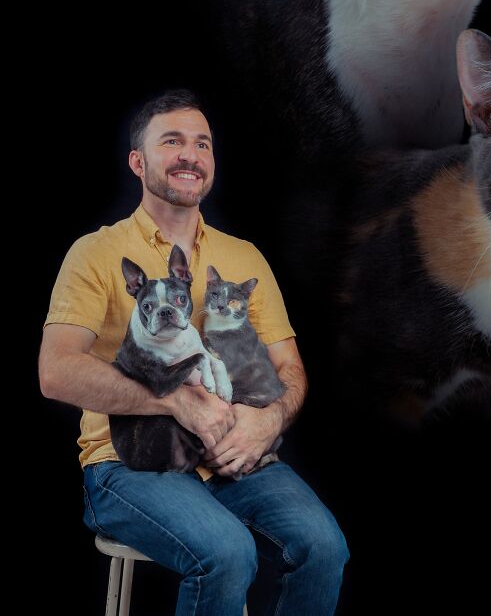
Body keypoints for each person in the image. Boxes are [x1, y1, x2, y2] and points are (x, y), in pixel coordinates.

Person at [39, 89, 349, 616]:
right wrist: (177, 401)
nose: (191, 154)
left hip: (232, 454)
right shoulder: (97, 253)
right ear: (138, 162)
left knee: (324, 548)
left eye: (202, 143)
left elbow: (288, 368)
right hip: (131, 462)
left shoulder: (242, 256)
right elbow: (56, 371)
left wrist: (269, 419)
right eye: (173, 141)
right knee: (227, 553)